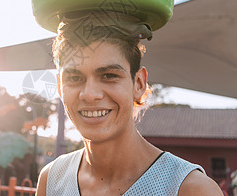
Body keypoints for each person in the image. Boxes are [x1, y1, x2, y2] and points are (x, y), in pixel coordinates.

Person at [36, 13, 222, 195]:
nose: (90, 94)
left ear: (139, 83)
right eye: (75, 78)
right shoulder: (51, 180)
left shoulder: (190, 189)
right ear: (60, 87)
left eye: (109, 76)